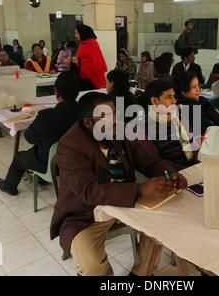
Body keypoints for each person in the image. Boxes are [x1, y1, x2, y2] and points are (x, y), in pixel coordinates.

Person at [50, 91, 188, 276]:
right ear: (89, 122)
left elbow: (149, 161)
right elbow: (89, 191)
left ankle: (141, 273)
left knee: (160, 228)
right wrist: (140, 189)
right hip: (85, 213)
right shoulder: (70, 145)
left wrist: (171, 173)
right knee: (92, 266)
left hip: (127, 202)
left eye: (115, 112)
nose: (114, 119)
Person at [0, 71, 80, 196]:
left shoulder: (47, 116)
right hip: (77, 161)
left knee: (19, 157)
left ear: (57, 94)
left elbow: (29, 137)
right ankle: (41, 178)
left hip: (50, 163)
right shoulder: (84, 112)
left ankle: (9, 186)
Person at [140, 80, 199, 170]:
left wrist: (198, 162)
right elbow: (156, 162)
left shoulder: (178, 116)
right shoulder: (144, 127)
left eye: (173, 96)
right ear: (155, 101)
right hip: (172, 174)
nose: (174, 101)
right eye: (169, 97)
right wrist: (187, 169)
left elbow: (192, 143)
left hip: (192, 167)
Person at [72, 24, 108, 90]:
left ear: (83, 33)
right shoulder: (83, 43)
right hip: (85, 78)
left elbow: (95, 64)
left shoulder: (90, 44)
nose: (75, 36)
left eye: (77, 33)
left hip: (91, 80)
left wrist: (79, 61)